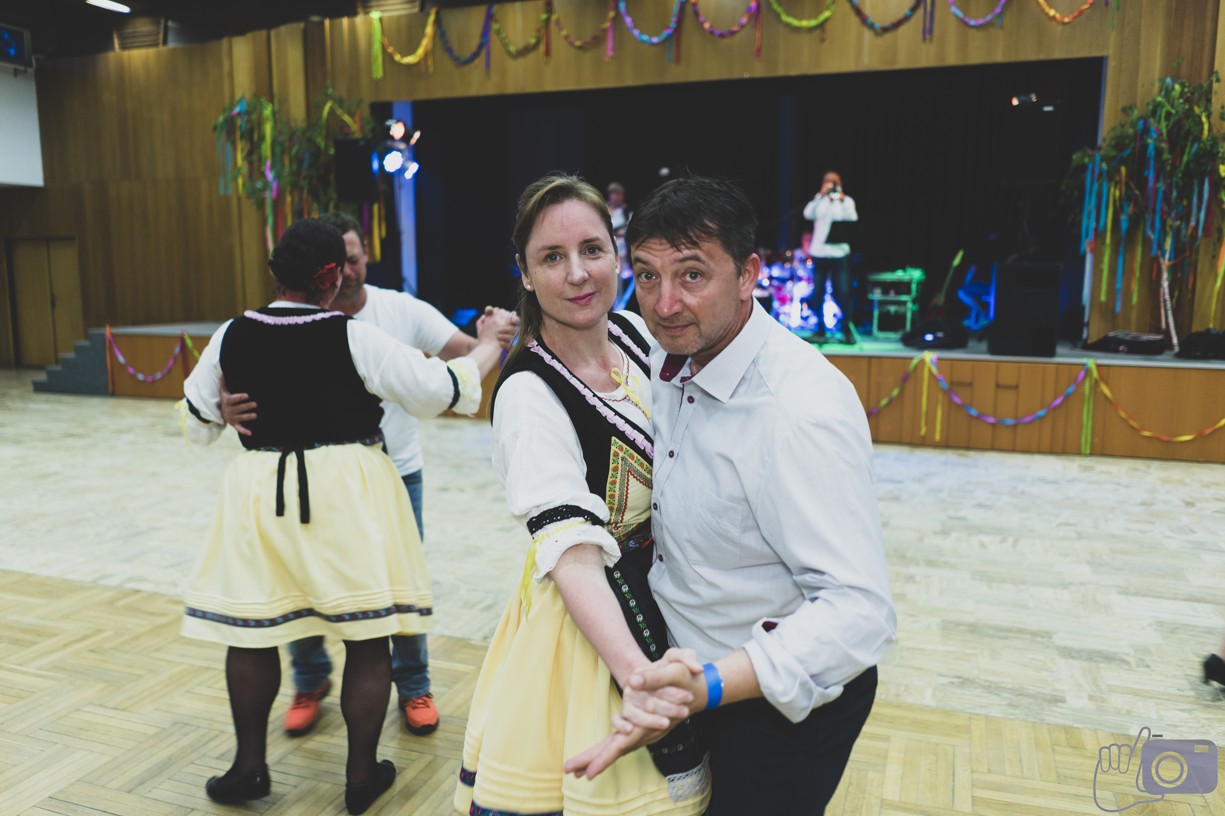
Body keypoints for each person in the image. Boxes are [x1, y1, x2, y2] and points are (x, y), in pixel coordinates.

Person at [566, 176, 896, 816]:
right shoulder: (673, 354)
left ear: (748, 274)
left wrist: (710, 686)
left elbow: (860, 612)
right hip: (687, 675)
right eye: (647, 276)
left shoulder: (796, 411)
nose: (664, 304)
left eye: (692, 275)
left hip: (777, 706)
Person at [180, 218, 512, 814]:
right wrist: (489, 342)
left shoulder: (232, 332)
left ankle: (248, 768)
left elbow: (196, 418)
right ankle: (360, 777)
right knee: (367, 635)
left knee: (252, 634)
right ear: (330, 277)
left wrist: (222, 413)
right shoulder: (354, 336)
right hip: (347, 494)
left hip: (260, 492)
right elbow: (438, 390)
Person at [454, 174, 710, 816]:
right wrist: (634, 675)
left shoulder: (632, 332)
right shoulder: (528, 393)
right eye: (552, 257)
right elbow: (572, 553)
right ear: (525, 273)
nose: (577, 274)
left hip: (667, 592)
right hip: (590, 621)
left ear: (616, 253)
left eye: (592, 249)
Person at [803, 170, 859, 342]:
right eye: (827, 181)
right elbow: (807, 214)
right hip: (820, 252)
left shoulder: (847, 201)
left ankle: (847, 330)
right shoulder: (819, 200)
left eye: (833, 181)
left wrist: (840, 200)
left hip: (839, 253)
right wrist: (819, 195)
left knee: (841, 291)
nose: (830, 184)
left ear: (839, 184)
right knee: (818, 293)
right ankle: (820, 330)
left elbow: (853, 218)